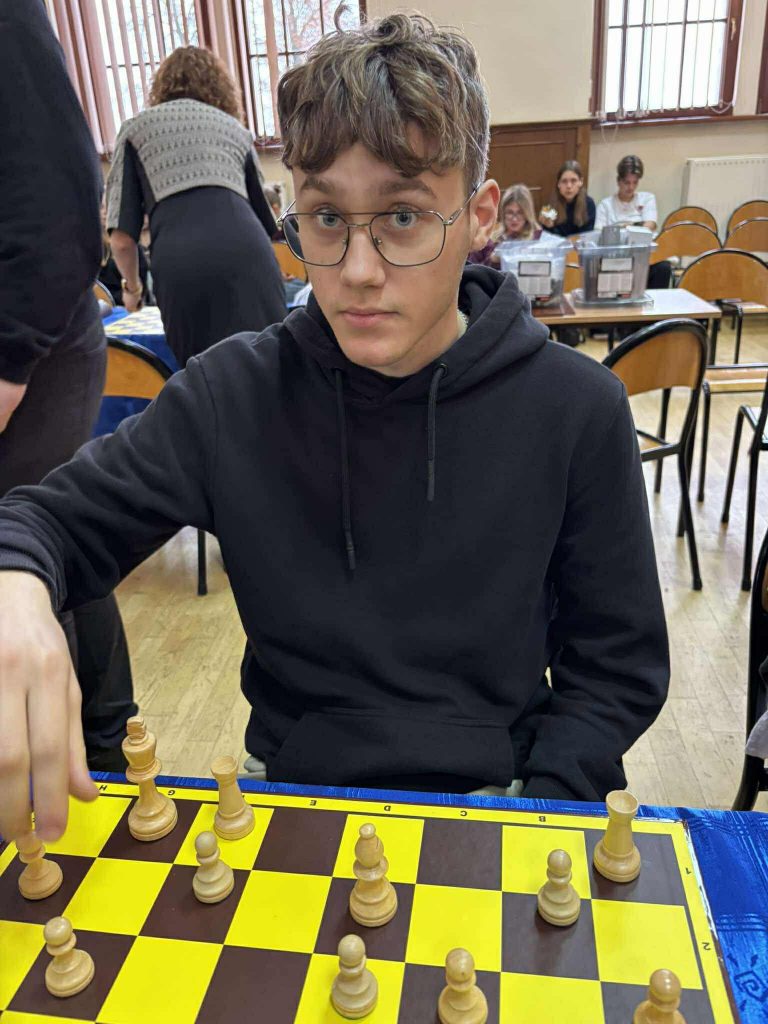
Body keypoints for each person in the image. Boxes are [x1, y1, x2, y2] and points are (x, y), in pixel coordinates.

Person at [0, 12, 669, 845]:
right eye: (325, 218)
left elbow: (615, 666)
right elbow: (47, 521)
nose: (357, 271)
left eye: (403, 218)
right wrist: (15, 582)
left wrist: (542, 803)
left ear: (480, 216)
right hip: (292, 795)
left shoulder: (577, 410)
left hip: (506, 797)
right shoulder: (232, 395)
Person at [0, 0, 136, 777]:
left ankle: (95, 751)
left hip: (32, 340)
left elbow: (60, 208)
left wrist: (8, 363)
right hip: (37, 331)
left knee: (39, 543)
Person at [106, 46, 287, 366]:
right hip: (249, 256)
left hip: (182, 267)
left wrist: (132, 289)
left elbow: (121, 239)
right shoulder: (235, 130)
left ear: (161, 86)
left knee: (203, 380)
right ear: (221, 88)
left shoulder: (135, 130)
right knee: (269, 366)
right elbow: (266, 223)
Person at [595, 154, 671, 288]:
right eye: (627, 182)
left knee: (664, 267)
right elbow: (599, 233)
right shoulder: (606, 205)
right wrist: (635, 227)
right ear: (618, 181)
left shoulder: (647, 198)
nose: (631, 187)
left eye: (635, 182)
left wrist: (625, 227)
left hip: (643, 257)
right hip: (617, 258)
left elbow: (650, 225)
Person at [468, 184, 547, 266]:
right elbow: (470, 269)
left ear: (527, 214)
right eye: (510, 212)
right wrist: (492, 261)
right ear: (503, 213)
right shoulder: (489, 240)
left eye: (520, 213)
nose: (514, 219)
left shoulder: (539, 238)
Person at [539, 160, 595, 237]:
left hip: (579, 243)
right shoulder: (550, 204)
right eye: (564, 181)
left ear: (581, 182)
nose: (569, 186)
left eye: (573, 181)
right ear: (558, 184)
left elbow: (586, 235)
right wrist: (547, 226)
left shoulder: (588, 203)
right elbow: (547, 236)